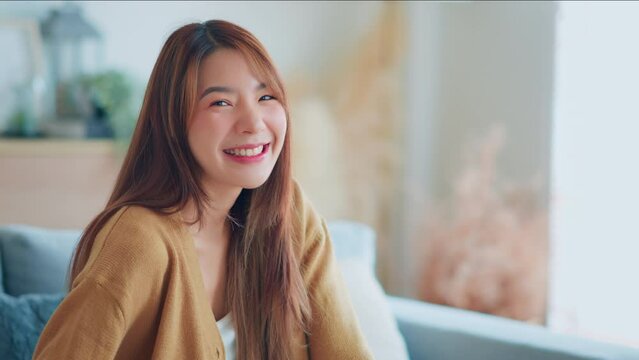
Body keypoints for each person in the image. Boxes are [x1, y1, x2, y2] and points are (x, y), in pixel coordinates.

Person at [33, 20, 373, 360]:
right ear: (173, 121)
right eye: (221, 103)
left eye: (266, 96)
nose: (253, 123)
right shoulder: (138, 240)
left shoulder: (291, 213)